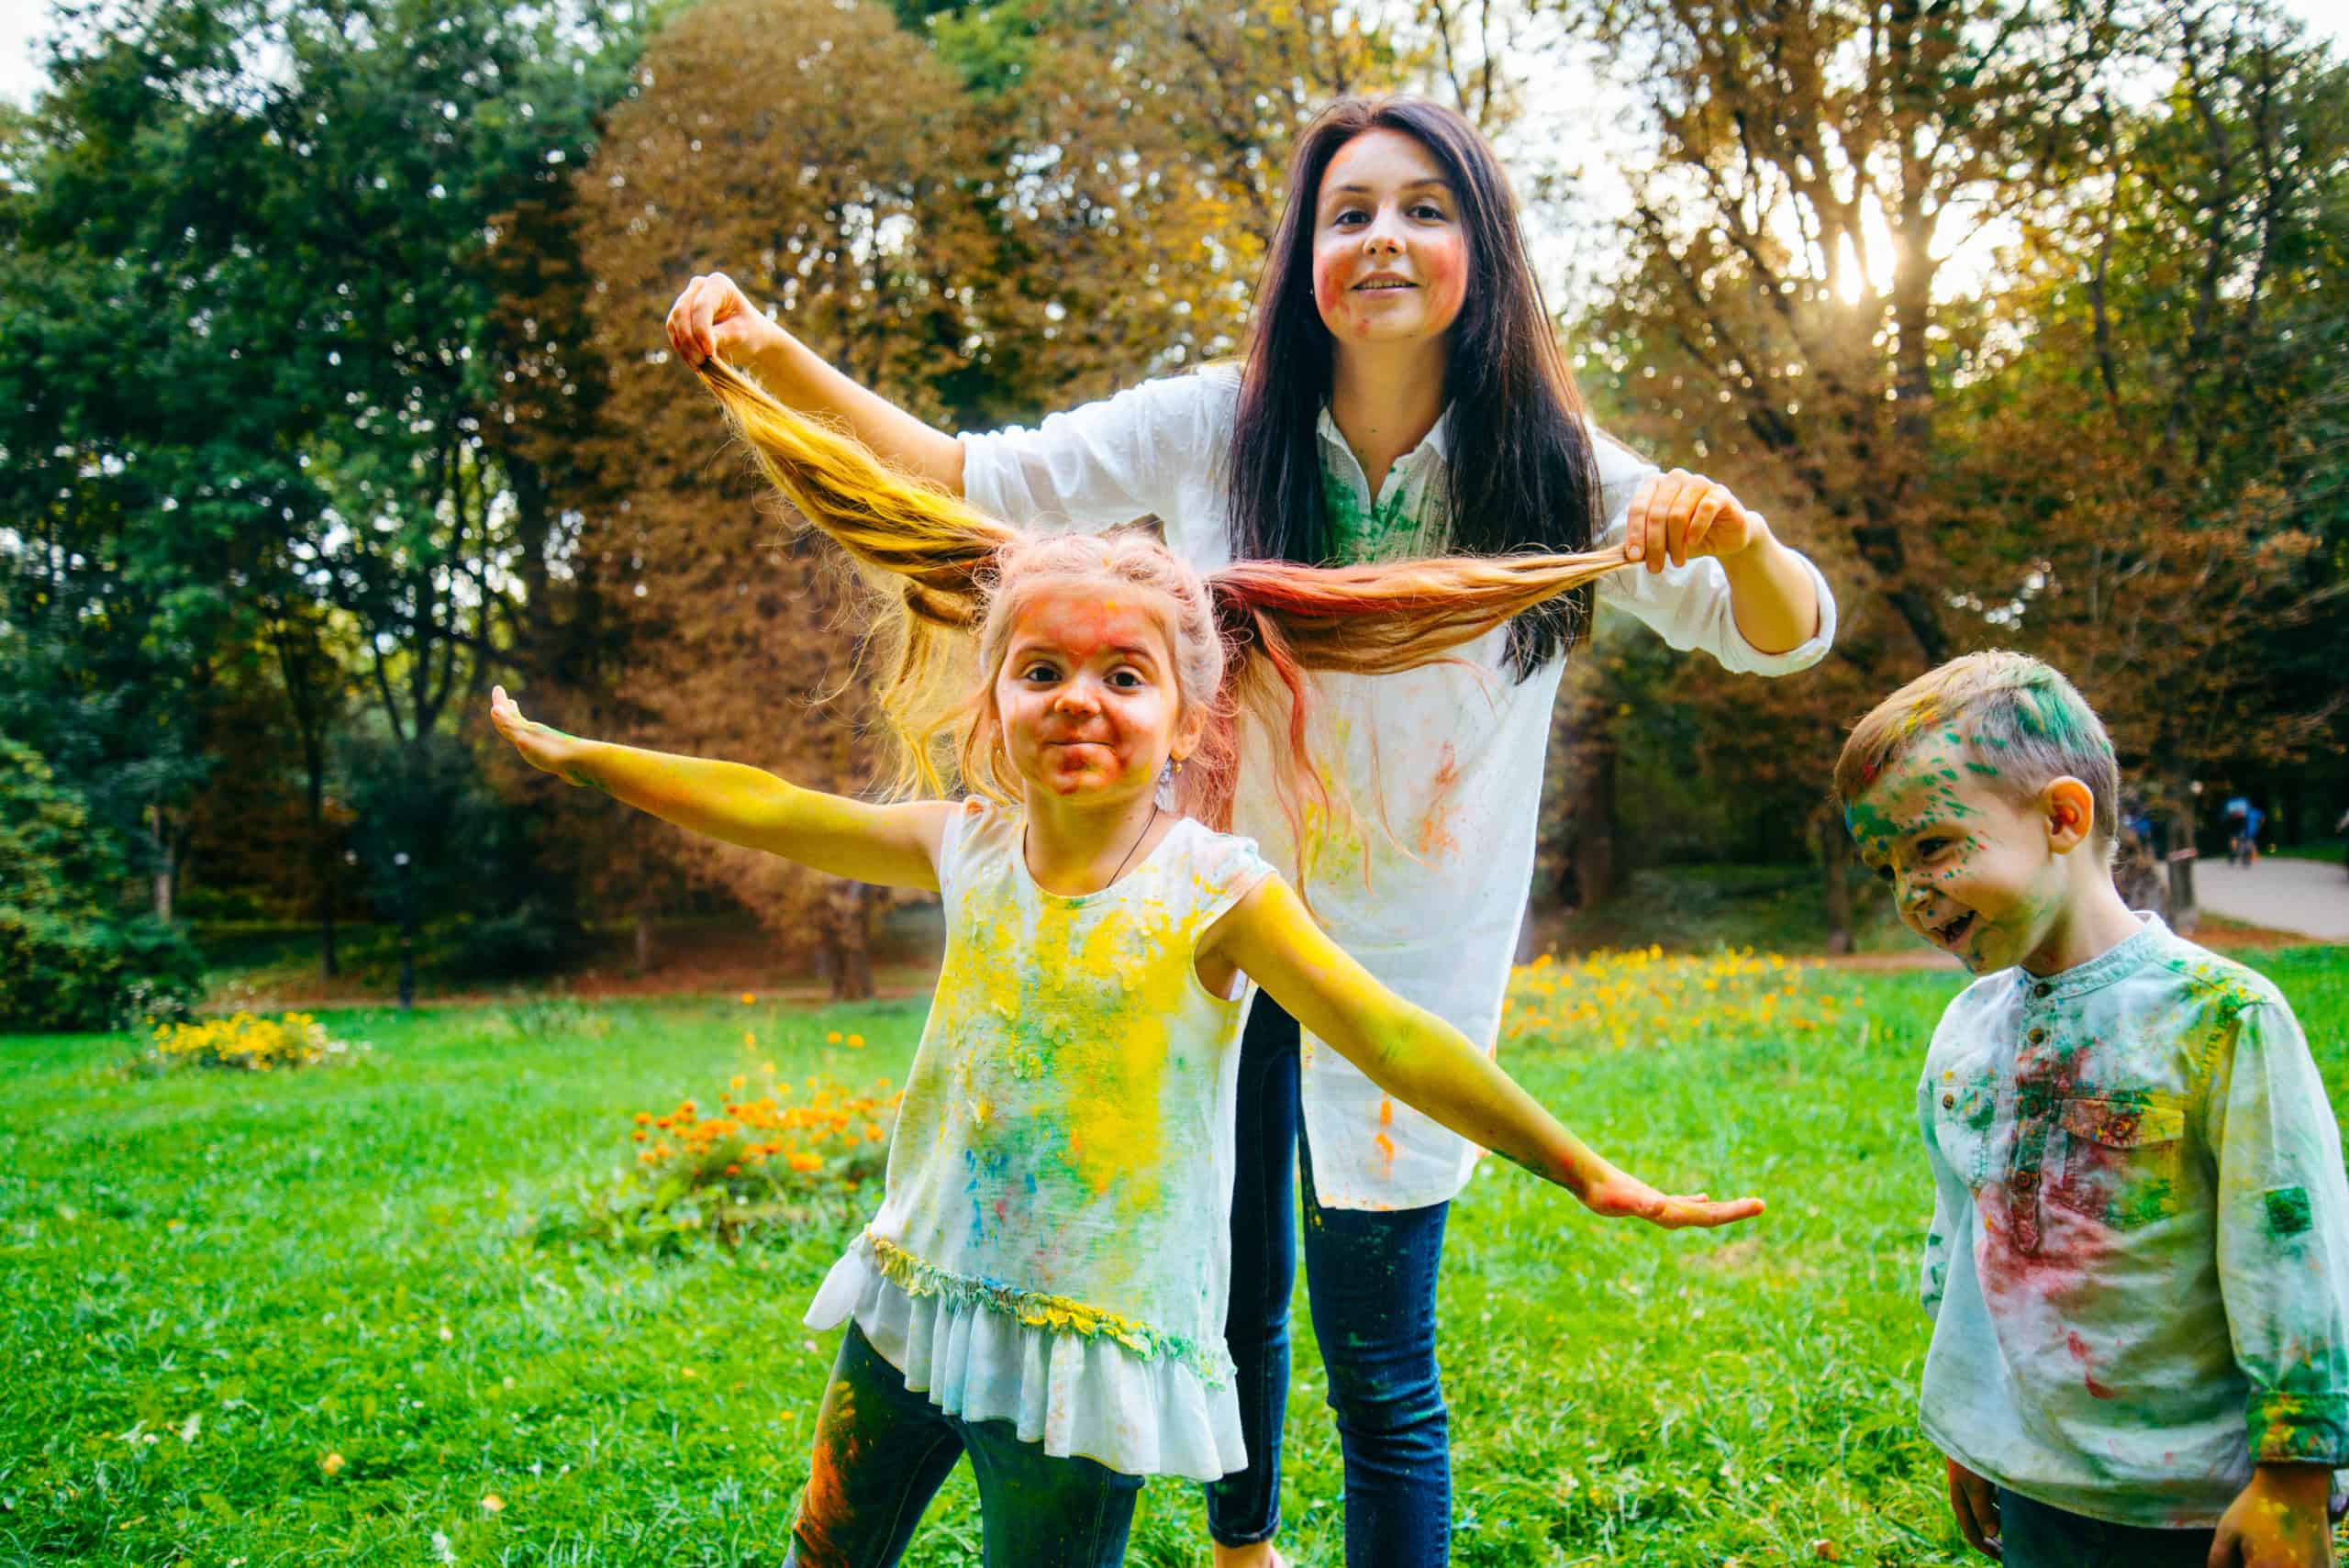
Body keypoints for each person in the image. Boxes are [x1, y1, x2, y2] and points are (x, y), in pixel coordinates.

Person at [664, 94, 1834, 1566]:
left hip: (1408, 958)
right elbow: (972, 477)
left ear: (1483, 247)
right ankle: (1246, 1543)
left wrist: (1739, 540)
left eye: (1425, 207)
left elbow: (1785, 636)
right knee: (1226, 1291)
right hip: (1206, 925)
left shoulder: (1554, 469)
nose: (1386, 239)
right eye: (1348, 213)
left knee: (1384, 1359)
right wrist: (767, 352)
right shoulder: (1216, 427)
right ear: (1303, 258)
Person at [490, 368, 1765, 1568]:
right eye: (1040, 671)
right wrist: (580, 757)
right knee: (823, 1550)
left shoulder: (1215, 896)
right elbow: (765, 805)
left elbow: (1391, 1039)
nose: (1078, 698)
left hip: (1082, 1358)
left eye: (1122, 672)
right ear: (992, 706)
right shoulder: (968, 848)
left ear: (1187, 717)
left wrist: (1584, 1169)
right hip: (915, 1302)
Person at [1834, 651, 2349, 1568]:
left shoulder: (2219, 1019)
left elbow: (2292, 1255)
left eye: (1931, 845)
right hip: (2037, 1485)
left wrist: (2293, 1475)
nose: (1909, 892)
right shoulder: (1964, 1026)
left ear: (2063, 817)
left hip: (2199, 1499)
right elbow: (1957, 1238)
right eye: (1885, 866)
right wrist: (1974, 1424)